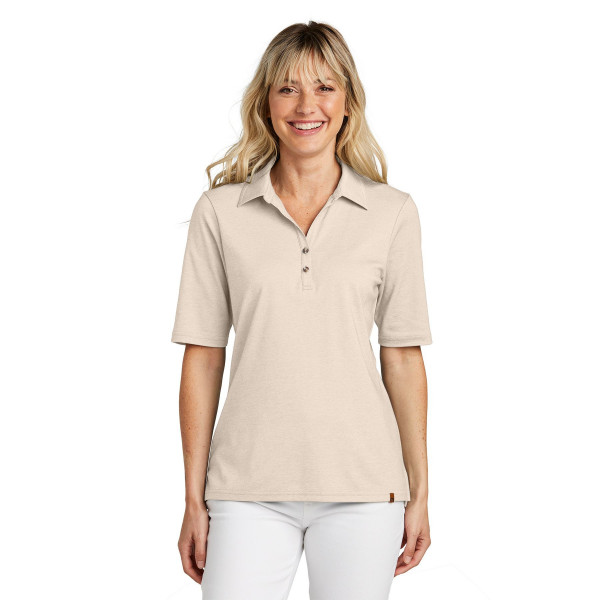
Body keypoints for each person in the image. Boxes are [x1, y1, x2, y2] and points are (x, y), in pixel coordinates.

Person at [171, 20, 433, 600]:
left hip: (366, 487)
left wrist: (420, 490)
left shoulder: (392, 212)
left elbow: (402, 355)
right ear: (265, 104)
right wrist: (193, 497)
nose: (306, 105)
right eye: (287, 88)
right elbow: (203, 356)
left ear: (348, 102)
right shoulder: (220, 213)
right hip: (245, 486)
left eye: (324, 87)